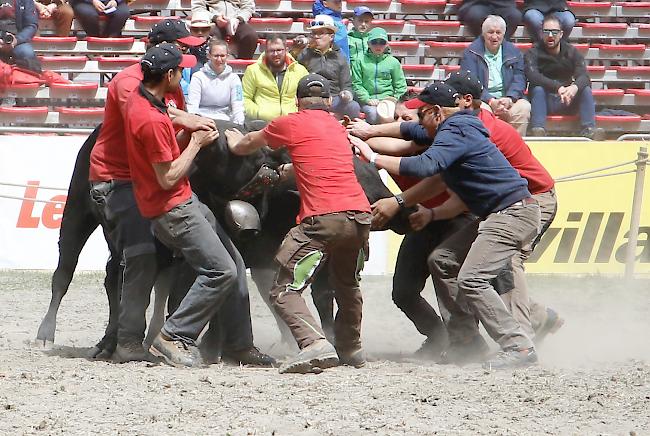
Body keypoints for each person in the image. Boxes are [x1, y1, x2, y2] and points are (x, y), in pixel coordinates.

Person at [352, 83, 541, 370]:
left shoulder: (455, 131)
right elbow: (408, 132)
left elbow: (425, 166)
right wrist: (363, 132)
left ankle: (519, 345)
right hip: (503, 212)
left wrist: (373, 157)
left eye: (422, 115)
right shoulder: (456, 125)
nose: (418, 124)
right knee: (442, 260)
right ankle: (466, 340)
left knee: (473, 279)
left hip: (510, 214)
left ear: (436, 112)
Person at [122, 43, 268, 368]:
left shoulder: (142, 99)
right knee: (221, 270)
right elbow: (168, 176)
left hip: (184, 202)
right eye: (181, 69)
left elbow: (170, 113)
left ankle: (238, 344)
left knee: (233, 261)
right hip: (173, 208)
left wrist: (190, 119)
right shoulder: (151, 121)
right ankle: (173, 336)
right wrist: (197, 143)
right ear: (170, 75)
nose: (186, 72)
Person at [225, 74, 371, 374]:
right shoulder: (338, 127)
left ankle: (313, 343)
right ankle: (351, 347)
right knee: (347, 285)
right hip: (359, 216)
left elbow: (247, 146)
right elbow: (317, 163)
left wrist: (234, 139)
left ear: (296, 101)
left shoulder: (289, 122)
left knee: (282, 288)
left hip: (322, 218)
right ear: (329, 102)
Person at [525, 14, 605, 140]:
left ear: (561, 34)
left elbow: (584, 76)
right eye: (546, 32)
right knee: (537, 88)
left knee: (585, 89)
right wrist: (558, 87)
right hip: (544, 100)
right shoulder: (533, 52)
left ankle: (589, 129)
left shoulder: (571, 51)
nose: (550, 36)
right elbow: (532, 76)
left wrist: (574, 88)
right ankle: (538, 129)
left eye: (554, 32)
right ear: (541, 33)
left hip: (566, 99)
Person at [460, 15, 530, 136]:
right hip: (482, 99)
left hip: (507, 99)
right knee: (481, 111)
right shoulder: (471, 52)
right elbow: (470, 82)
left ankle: (515, 146)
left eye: (498, 32)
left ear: (503, 34)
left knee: (524, 107)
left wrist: (509, 98)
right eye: (490, 32)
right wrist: (490, 100)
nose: (494, 36)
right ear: (483, 34)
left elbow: (519, 78)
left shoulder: (514, 52)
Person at [298, 14, 360, 119]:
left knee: (353, 106)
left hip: (334, 98)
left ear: (331, 37)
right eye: (314, 33)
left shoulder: (340, 57)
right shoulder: (304, 55)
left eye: (321, 33)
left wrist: (347, 94)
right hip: (312, 98)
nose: (316, 37)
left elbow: (347, 84)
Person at [242, 34, 309, 121]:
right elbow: (244, 98)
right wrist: (258, 113)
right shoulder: (253, 70)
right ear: (265, 51)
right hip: (263, 123)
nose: (275, 54)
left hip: (293, 122)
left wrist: (299, 113)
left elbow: (308, 97)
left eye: (279, 50)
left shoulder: (300, 70)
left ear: (286, 50)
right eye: (271, 51)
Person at [351, 27, 407, 125]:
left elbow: (401, 85)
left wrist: (395, 99)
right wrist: (367, 99)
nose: (378, 45)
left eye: (382, 42)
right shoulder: (359, 61)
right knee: (373, 114)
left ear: (386, 44)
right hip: (368, 101)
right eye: (374, 42)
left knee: (394, 114)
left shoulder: (393, 62)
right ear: (368, 43)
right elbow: (356, 84)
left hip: (389, 101)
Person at [187, 38, 245, 124]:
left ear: (227, 56)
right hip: (202, 120)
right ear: (209, 56)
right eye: (216, 56)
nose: (219, 59)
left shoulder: (234, 78)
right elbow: (192, 106)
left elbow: (238, 106)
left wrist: (239, 124)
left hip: (226, 121)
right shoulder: (198, 77)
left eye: (222, 56)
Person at [190, 0, 257, 59]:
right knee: (211, 35)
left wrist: (239, 19)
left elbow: (248, 7)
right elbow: (198, 8)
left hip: (237, 19)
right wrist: (215, 18)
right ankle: (213, 65)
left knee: (250, 35)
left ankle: (244, 67)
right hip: (212, 21)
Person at [0, 0, 41, 73]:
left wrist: (16, 40)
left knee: (27, 53)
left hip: (17, 39)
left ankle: (31, 82)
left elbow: (31, 25)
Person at [456, 0, 521, 40]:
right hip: (476, 3)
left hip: (504, 4)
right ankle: (482, 45)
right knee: (475, 16)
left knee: (514, 16)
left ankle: (502, 44)